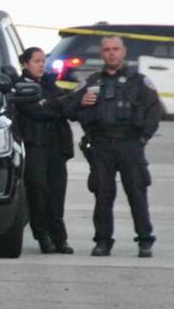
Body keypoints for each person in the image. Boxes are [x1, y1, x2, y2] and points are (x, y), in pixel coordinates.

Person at [63, 36, 163, 257]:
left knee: (137, 194)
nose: (111, 53)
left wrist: (143, 139)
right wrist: (81, 102)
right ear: (102, 53)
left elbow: (154, 112)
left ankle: (145, 241)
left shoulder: (139, 82)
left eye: (115, 49)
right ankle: (103, 241)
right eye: (107, 49)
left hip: (131, 145)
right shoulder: (91, 83)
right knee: (103, 196)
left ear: (124, 52)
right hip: (101, 145)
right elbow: (68, 109)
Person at [14, 48, 75, 254]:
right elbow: (35, 111)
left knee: (57, 192)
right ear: (25, 63)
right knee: (38, 190)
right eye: (36, 61)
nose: (41, 65)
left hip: (56, 146)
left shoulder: (51, 84)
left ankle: (60, 238)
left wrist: (51, 103)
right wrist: (54, 105)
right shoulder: (20, 87)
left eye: (43, 61)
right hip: (34, 146)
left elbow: (66, 105)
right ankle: (43, 236)